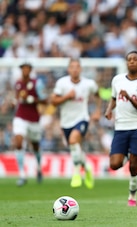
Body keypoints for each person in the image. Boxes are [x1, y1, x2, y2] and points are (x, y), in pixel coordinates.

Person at [104, 51, 137, 207]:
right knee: (114, 165)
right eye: (129, 59)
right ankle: (131, 157)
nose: (132, 61)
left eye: (135, 59)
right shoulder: (117, 80)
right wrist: (109, 109)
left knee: (133, 166)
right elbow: (113, 98)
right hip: (120, 127)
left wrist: (130, 99)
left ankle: (132, 196)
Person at [51, 58, 102, 189]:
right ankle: (88, 167)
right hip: (66, 121)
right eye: (72, 67)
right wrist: (66, 97)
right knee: (75, 148)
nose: (75, 69)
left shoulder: (88, 83)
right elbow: (54, 101)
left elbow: (98, 94)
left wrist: (97, 111)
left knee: (74, 141)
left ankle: (77, 173)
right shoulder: (62, 83)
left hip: (82, 118)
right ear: (68, 69)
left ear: (81, 69)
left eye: (77, 67)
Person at [13, 62, 48, 186]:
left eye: (27, 69)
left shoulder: (37, 83)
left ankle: (38, 168)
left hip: (33, 118)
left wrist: (33, 99)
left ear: (30, 70)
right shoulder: (17, 83)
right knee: (18, 141)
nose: (25, 71)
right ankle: (22, 174)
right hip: (20, 117)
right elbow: (17, 98)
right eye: (23, 69)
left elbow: (45, 100)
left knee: (35, 146)